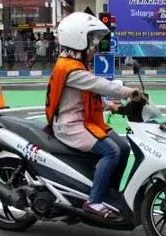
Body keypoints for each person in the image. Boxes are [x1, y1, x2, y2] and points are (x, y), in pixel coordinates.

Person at [45, 12, 138, 219]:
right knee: (112, 152)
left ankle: (107, 191)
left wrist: (109, 105)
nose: (94, 45)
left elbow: (88, 94)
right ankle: (94, 202)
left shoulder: (75, 64)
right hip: (71, 126)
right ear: (77, 39)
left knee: (122, 147)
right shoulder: (69, 69)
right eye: (91, 40)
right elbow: (98, 84)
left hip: (84, 121)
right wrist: (128, 92)